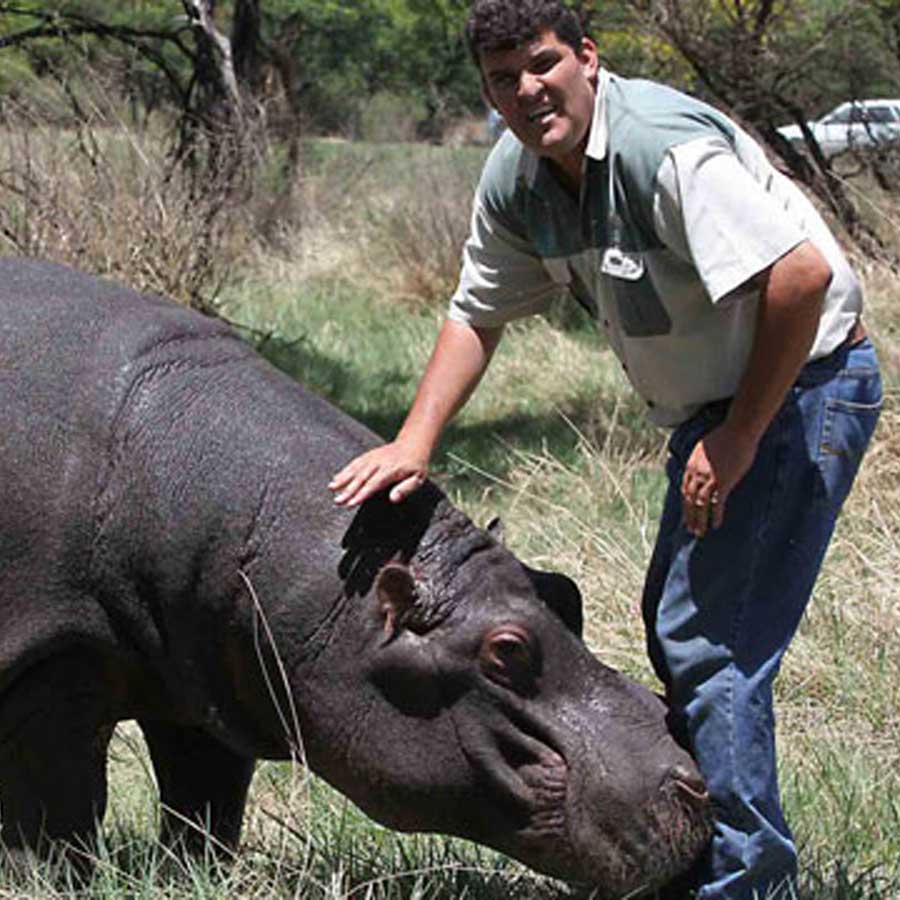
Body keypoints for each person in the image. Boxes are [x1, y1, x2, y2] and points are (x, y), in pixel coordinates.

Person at [329, 2, 882, 897]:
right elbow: (476, 311)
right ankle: (697, 852)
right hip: (719, 411)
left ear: (588, 58)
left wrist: (741, 436)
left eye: (542, 64)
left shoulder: (657, 146)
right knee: (685, 632)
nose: (525, 89)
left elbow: (801, 276)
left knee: (707, 646)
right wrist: (415, 441)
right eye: (502, 77)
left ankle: (745, 881)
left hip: (801, 392)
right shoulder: (519, 175)